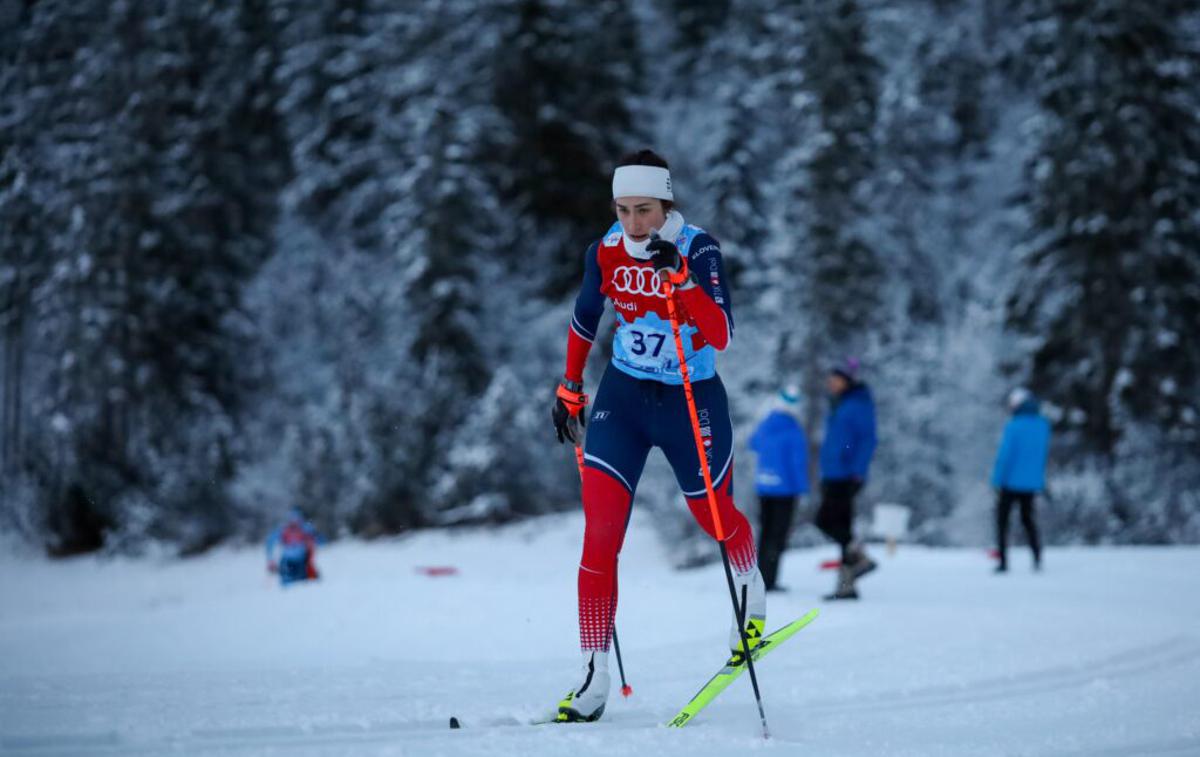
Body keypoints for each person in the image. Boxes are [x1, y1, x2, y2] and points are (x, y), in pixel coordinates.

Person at [549, 149, 763, 723]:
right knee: (600, 536)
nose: (633, 224)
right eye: (623, 210)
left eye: (644, 210)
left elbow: (721, 333)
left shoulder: (698, 247)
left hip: (688, 399)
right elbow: (584, 315)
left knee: (714, 518)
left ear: (666, 203)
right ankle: (594, 674)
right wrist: (571, 384)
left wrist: (682, 280)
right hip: (623, 396)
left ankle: (749, 584)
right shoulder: (606, 250)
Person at [815, 358, 878, 600]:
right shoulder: (840, 403)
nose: (831, 383)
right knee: (839, 525)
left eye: (835, 379)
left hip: (846, 474)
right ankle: (847, 584)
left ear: (847, 380)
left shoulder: (858, 404)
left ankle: (859, 558)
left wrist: (857, 472)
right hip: (832, 473)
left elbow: (867, 440)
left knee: (827, 521)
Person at [748, 385, 810, 592]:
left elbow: (753, 444)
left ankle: (758, 577)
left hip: (764, 486)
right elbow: (797, 463)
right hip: (786, 491)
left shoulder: (766, 424)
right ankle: (770, 580)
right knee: (778, 536)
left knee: (764, 534)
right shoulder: (793, 429)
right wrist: (802, 489)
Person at [991, 387, 1051, 573]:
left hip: (1009, 482)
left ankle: (1003, 562)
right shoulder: (1043, 426)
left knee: (1002, 521)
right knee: (1028, 520)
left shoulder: (1014, 426)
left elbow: (1005, 456)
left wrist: (997, 480)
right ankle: (1037, 558)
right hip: (1031, 483)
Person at [265, 508, 322, 586]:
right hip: (287, 562)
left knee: (303, 585)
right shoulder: (283, 530)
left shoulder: (305, 529)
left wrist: (312, 540)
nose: (294, 521)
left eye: (296, 518)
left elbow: (319, 540)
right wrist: (270, 560)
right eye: (292, 518)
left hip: (301, 561)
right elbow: (270, 542)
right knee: (288, 585)